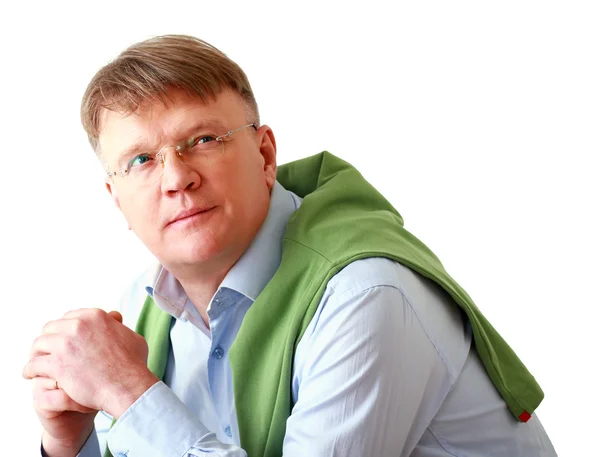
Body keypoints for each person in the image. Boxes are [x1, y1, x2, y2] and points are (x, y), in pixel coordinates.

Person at [23, 34, 557, 457]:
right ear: (117, 200)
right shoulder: (148, 301)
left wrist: (128, 394)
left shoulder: (366, 295)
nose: (176, 178)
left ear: (264, 154)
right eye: (141, 160)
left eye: (203, 140)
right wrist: (71, 444)